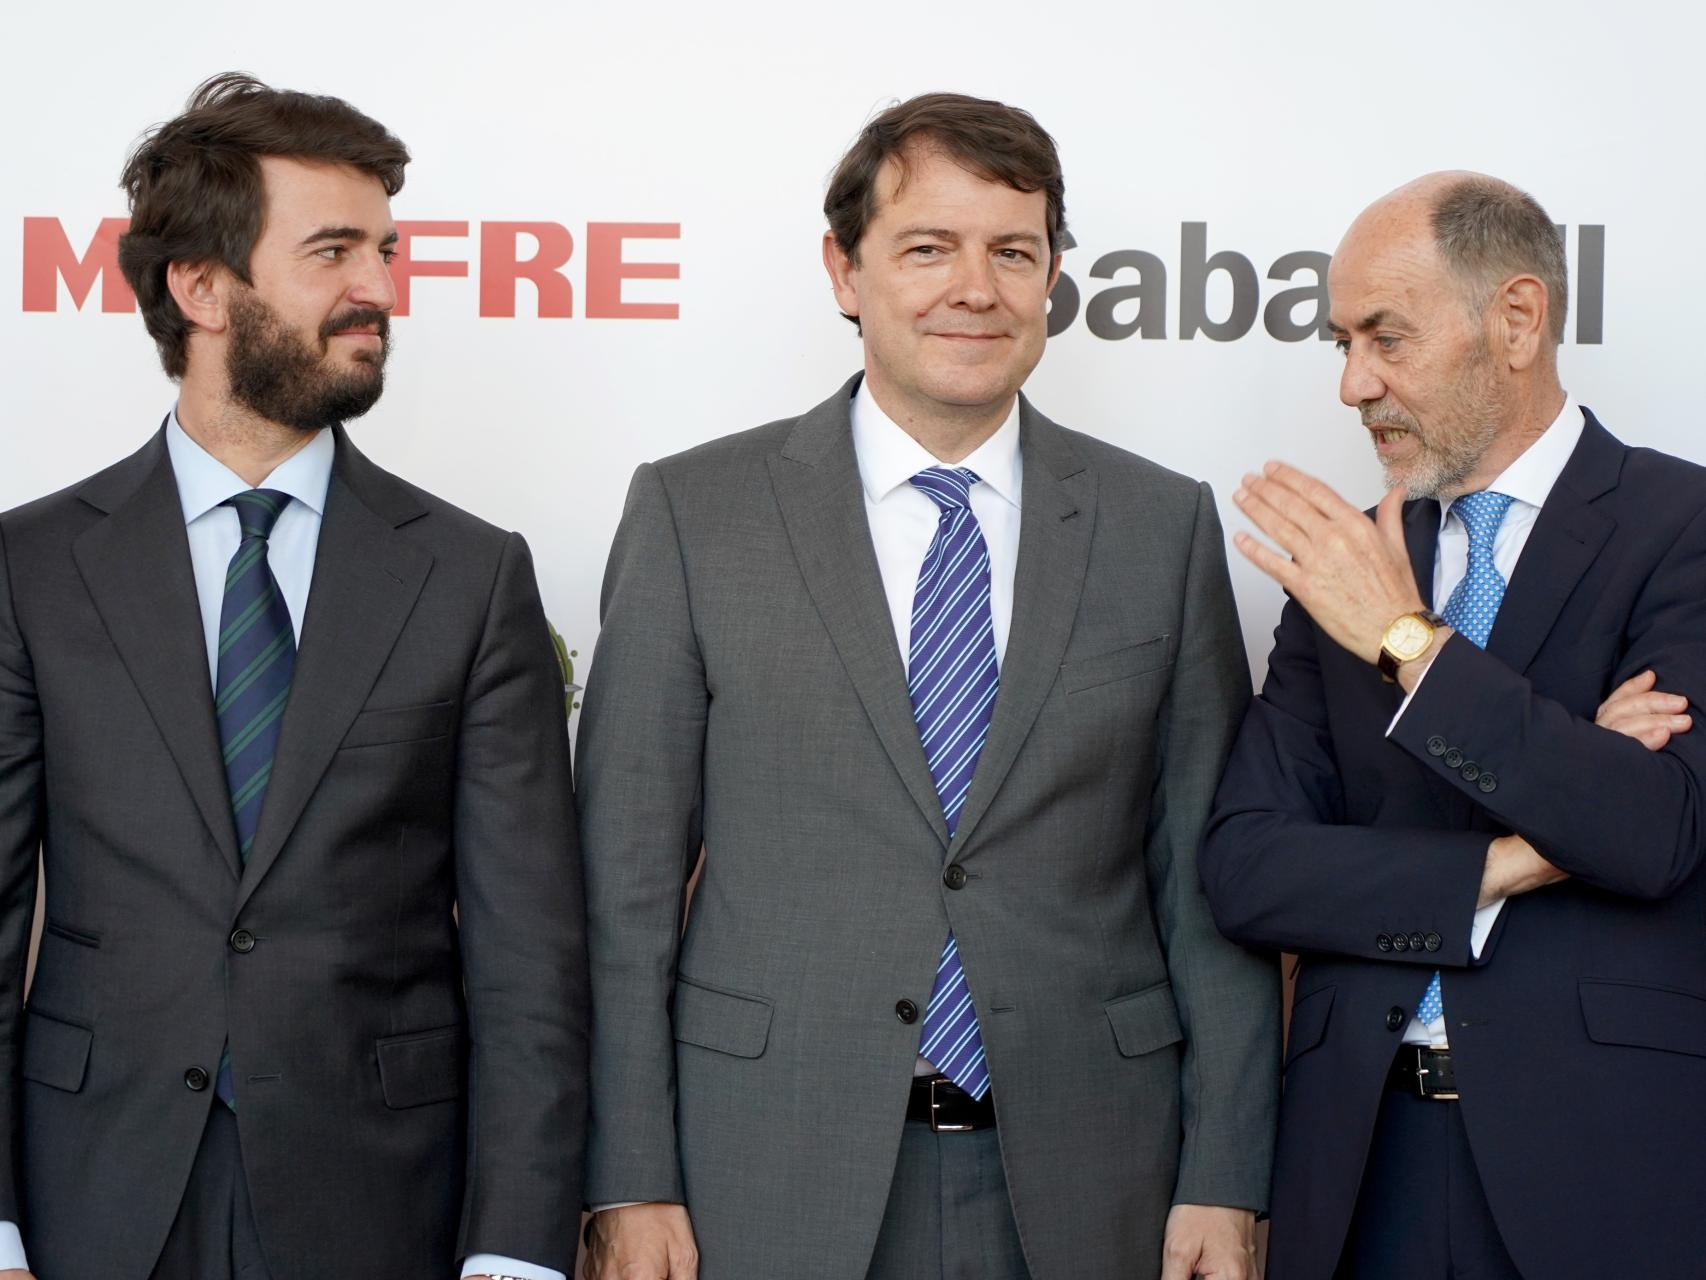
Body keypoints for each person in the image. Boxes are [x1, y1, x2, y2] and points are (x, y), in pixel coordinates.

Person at [576, 92, 1278, 1280]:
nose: (976, 286)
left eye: (1013, 251)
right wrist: (627, 1172)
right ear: (843, 272)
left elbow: (1202, 878)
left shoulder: (1159, 524)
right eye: (926, 248)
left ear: (1053, 274)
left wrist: (1224, 1170)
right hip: (765, 1164)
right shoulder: (696, 512)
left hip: (1092, 1171)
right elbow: (623, 885)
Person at [0, 74, 587, 1279]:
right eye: (332, 251)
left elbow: (531, 953)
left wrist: (516, 1249)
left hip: (382, 1199)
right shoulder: (33, 565)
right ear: (201, 285)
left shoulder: (471, 576)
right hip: (89, 1191)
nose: (378, 288)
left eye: (384, 250)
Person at [1200, 171, 1706, 1278]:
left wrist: (1403, 637)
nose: (1350, 382)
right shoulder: (1348, 561)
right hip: (1358, 1167)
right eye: (1339, 340)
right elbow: (1244, 867)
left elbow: (1649, 829)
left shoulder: (1681, 528)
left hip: (1603, 1175)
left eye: (1385, 337)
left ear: (1514, 319)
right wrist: (1520, 855)